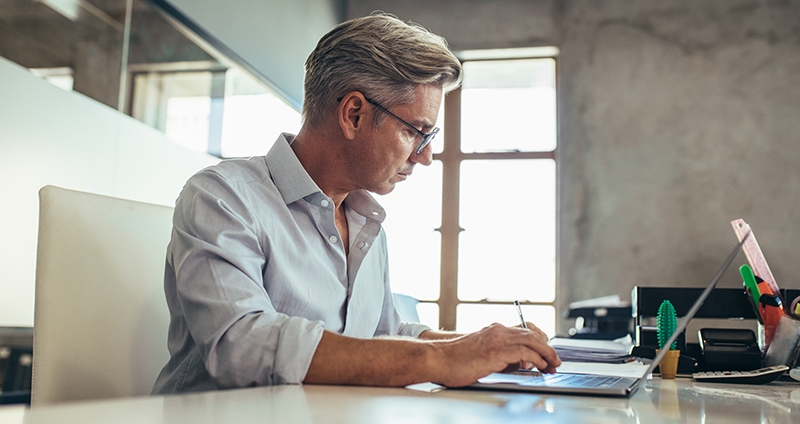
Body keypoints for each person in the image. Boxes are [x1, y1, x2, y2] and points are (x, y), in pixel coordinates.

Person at [152, 12, 560, 394]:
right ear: (354, 114)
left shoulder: (365, 220)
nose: (425, 156)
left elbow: (381, 333)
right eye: (417, 132)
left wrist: (484, 346)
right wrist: (441, 358)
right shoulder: (222, 197)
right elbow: (242, 345)